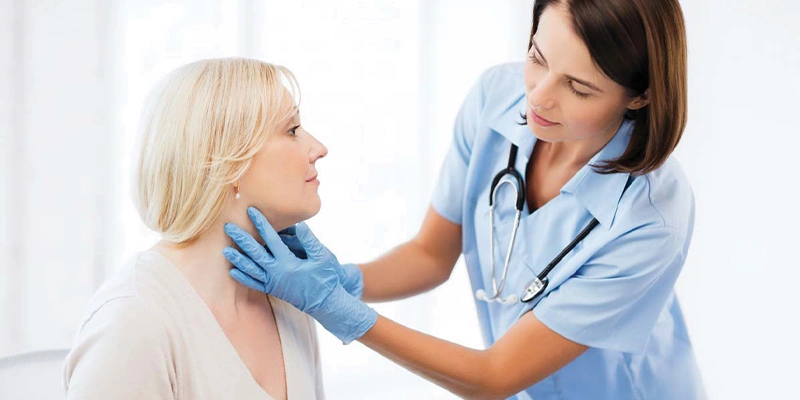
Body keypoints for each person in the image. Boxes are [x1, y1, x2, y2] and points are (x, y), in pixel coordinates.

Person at [224, 0, 707, 398]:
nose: (538, 97)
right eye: (537, 57)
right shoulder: (496, 99)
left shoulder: (651, 217)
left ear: (639, 96)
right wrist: (344, 278)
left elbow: (495, 376)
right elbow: (431, 255)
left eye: (578, 88)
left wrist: (336, 308)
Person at [63, 58, 329, 400]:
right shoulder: (135, 320)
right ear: (228, 160)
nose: (318, 149)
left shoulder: (287, 302)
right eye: (291, 131)